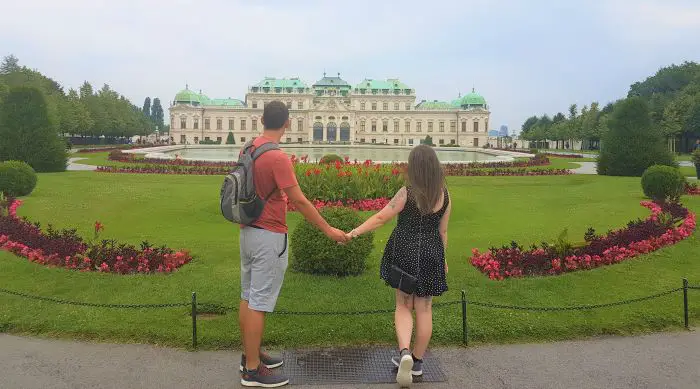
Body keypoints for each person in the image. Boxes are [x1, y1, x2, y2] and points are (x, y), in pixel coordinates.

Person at [238, 101, 350, 387]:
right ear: (288, 123)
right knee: (259, 301)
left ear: (262, 119)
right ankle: (252, 370)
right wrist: (328, 230)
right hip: (268, 235)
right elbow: (300, 200)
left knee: (248, 295)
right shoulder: (278, 157)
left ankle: (250, 354)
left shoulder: (248, 148)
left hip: (248, 231)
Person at [346, 145, 451, 387]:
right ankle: (418, 361)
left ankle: (404, 353)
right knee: (424, 308)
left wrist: (354, 232)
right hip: (431, 252)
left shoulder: (407, 192)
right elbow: (442, 231)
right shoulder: (445, 194)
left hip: (405, 249)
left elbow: (381, 217)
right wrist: (442, 258)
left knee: (403, 304)